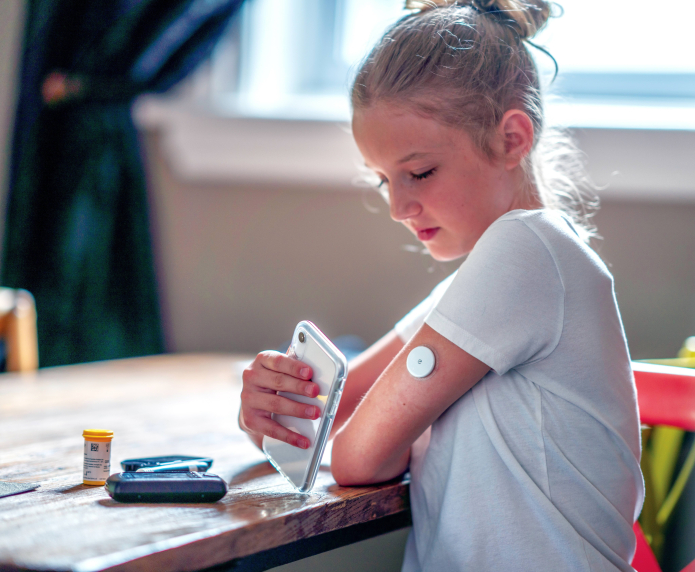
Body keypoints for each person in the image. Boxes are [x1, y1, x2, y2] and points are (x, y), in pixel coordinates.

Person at [238, 1, 644, 570]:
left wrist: (310, 430)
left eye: (419, 172)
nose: (398, 207)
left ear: (511, 138)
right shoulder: (480, 279)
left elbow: (356, 455)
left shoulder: (528, 251)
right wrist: (270, 414)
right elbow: (330, 416)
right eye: (383, 180)